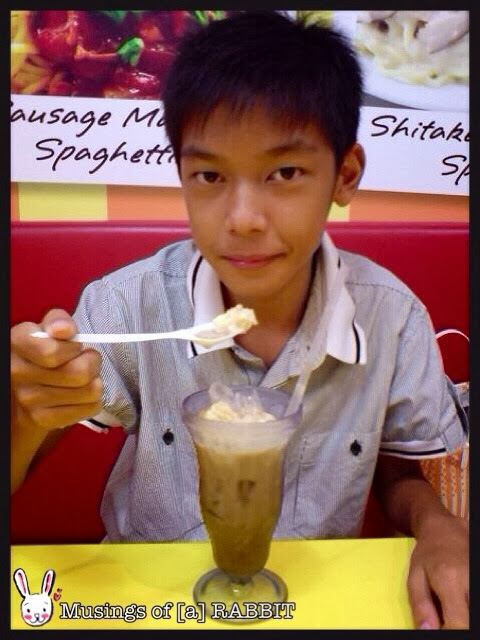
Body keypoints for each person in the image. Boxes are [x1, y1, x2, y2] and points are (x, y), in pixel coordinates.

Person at [11, 11, 468, 629]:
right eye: (210, 176)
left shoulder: (392, 317)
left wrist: (436, 523)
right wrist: (26, 404)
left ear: (345, 175)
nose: (244, 218)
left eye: (285, 173)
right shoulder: (128, 303)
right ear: (181, 177)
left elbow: (397, 466)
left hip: (312, 596)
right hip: (150, 599)